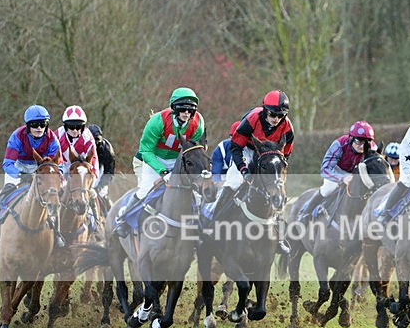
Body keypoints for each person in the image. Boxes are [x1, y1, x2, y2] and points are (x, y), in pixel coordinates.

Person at [113, 87, 206, 237]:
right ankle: (123, 220)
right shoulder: (157, 121)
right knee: (145, 190)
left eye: (190, 110)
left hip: (177, 159)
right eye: (183, 109)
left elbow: (192, 150)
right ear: (174, 108)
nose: (187, 113)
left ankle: (198, 227)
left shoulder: (198, 123)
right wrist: (163, 172)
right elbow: (146, 151)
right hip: (153, 159)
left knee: (196, 194)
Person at [215, 90, 294, 254]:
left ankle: (279, 239)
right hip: (246, 149)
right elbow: (235, 147)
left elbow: (285, 155)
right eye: (273, 114)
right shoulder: (252, 119)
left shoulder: (287, 128)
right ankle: (215, 226)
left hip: (269, 154)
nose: (276, 119)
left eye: (280, 116)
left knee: (278, 190)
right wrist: (244, 170)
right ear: (265, 110)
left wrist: (278, 173)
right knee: (234, 182)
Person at [0, 105, 65, 246]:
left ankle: (56, 233)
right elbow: (7, 164)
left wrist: (54, 177)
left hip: (41, 168)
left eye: (42, 124)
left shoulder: (52, 138)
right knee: (6, 191)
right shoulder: (17, 136)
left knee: (53, 196)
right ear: (28, 126)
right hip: (18, 166)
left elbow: (59, 165)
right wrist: (21, 174)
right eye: (34, 125)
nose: (39, 128)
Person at [298, 121, 377, 222]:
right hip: (337, 171)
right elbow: (325, 169)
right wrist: (342, 178)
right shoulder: (339, 144)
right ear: (351, 138)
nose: (362, 146)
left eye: (366, 142)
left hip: (358, 174)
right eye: (359, 141)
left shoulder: (373, 148)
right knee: (328, 189)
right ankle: (306, 213)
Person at [53, 105, 98, 176]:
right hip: (62, 167)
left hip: (81, 169)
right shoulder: (57, 136)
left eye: (78, 127)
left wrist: (94, 178)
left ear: (83, 127)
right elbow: (52, 158)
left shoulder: (88, 138)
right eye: (71, 127)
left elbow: (94, 162)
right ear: (65, 126)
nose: (74, 130)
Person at [87, 123, 116, 215]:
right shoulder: (81, 145)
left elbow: (109, 172)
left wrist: (99, 187)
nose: (94, 144)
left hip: (100, 173)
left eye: (96, 141)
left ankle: (111, 216)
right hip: (86, 173)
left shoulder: (106, 149)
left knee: (102, 196)